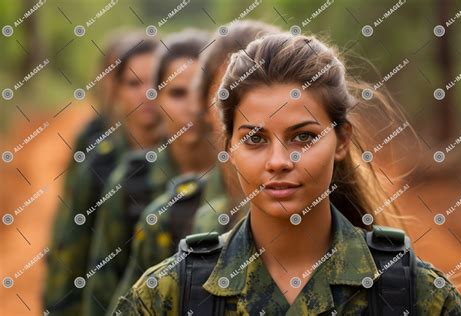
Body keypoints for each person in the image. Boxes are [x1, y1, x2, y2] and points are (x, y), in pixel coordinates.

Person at [112, 33, 461, 315]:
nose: (279, 161)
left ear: (342, 141)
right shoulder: (168, 296)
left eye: (303, 137)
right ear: (229, 148)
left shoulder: (417, 297)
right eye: (255, 139)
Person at [105, 21, 282, 314]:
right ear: (207, 109)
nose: (253, 110)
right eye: (230, 93)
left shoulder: (334, 224)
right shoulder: (170, 217)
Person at [82, 29, 217, 315]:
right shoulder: (132, 180)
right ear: (159, 100)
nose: (192, 108)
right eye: (178, 93)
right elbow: (103, 291)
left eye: (202, 92)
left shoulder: (242, 181)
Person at [43, 31, 160, 315]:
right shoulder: (100, 163)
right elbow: (71, 253)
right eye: (134, 83)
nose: (148, 94)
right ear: (115, 89)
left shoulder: (190, 160)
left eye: (157, 82)